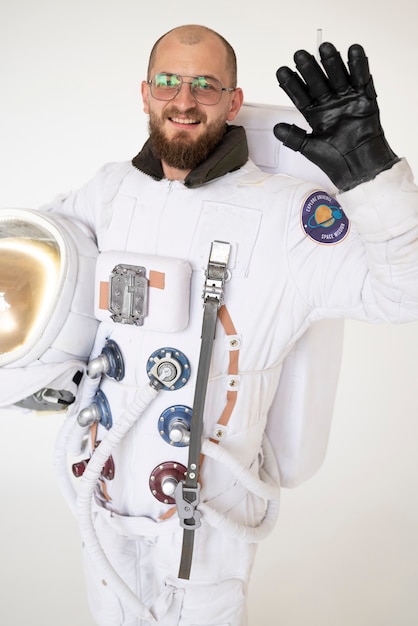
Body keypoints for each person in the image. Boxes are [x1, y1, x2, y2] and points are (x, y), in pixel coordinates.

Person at [2, 23, 418, 626]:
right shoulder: (111, 193)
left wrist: (372, 176)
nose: (184, 100)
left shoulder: (285, 216)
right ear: (145, 93)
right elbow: (29, 272)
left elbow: (402, 292)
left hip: (206, 521)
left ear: (233, 102)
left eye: (205, 85)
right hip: (104, 498)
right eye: (169, 82)